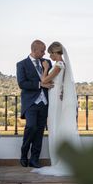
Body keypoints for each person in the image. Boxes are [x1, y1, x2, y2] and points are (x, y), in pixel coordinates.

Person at [32, 41, 81, 176]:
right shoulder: (61, 65)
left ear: (55, 53)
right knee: (55, 125)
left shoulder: (59, 65)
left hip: (55, 100)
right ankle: (58, 158)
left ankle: (58, 161)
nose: (50, 56)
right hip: (55, 98)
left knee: (54, 125)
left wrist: (46, 68)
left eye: (50, 53)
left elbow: (45, 80)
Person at [16, 40, 53, 168]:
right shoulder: (22, 64)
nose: (44, 53)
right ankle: (23, 154)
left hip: (45, 102)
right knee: (31, 127)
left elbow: (52, 78)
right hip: (31, 102)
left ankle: (34, 159)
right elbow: (22, 83)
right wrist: (39, 84)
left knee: (40, 131)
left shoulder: (47, 63)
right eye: (42, 51)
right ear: (34, 50)